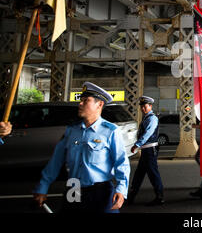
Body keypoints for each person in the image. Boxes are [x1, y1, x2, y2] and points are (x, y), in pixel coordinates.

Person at [33, 82, 130, 213]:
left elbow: (121, 162)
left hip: (100, 190)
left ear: (99, 104)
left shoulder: (111, 131)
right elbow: (56, 161)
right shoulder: (72, 131)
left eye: (86, 100)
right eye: (81, 100)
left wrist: (121, 189)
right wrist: (42, 187)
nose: (80, 103)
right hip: (74, 186)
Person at [127, 96, 164, 206]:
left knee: (153, 174)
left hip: (150, 149)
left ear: (150, 106)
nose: (143, 108)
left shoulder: (152, 118)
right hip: (146, 150)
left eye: (145, 106)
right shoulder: (147, 118)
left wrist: (137, 145)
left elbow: (147, 134)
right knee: (139, 173)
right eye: (142, 106)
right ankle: (131, 197)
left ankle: (160, 197)